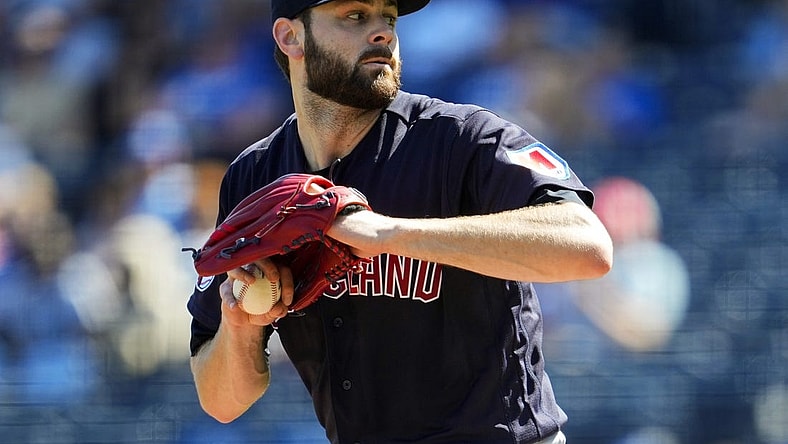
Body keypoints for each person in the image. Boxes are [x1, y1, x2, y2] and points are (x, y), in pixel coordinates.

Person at [186, 1, 613, 443]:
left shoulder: (461, 140)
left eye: (387, 17)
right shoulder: (255, 177)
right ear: (290, 37)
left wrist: (390, 233)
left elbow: (588, 247)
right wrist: (240, 328)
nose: (382, 33)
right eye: (355, 16)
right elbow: (220, 401)